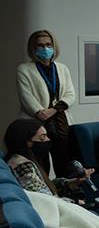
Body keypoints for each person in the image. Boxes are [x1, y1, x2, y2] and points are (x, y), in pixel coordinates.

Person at [3, 118, 99, 227]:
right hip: (67, 214)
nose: (48, 140)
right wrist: (75, 202)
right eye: (43, 137)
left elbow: (43, 186)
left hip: (69, 207)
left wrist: (72, 182)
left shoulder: (26, 160)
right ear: (27, 142)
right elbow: (46, 200)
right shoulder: (23, 166)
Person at [16, 30, 76, 175]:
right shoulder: (24, 69)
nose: (45, 48)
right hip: (36, 123)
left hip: (60, 122)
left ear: (54, 46)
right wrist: (40, 112)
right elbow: (26, 97)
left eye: (48, 45)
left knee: (63, 164)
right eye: (40, 45)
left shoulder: (62, 68)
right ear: (33, 48)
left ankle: (65, 195)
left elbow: (70, 94)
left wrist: (53, 110)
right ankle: (47, 194)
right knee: (41, 166)